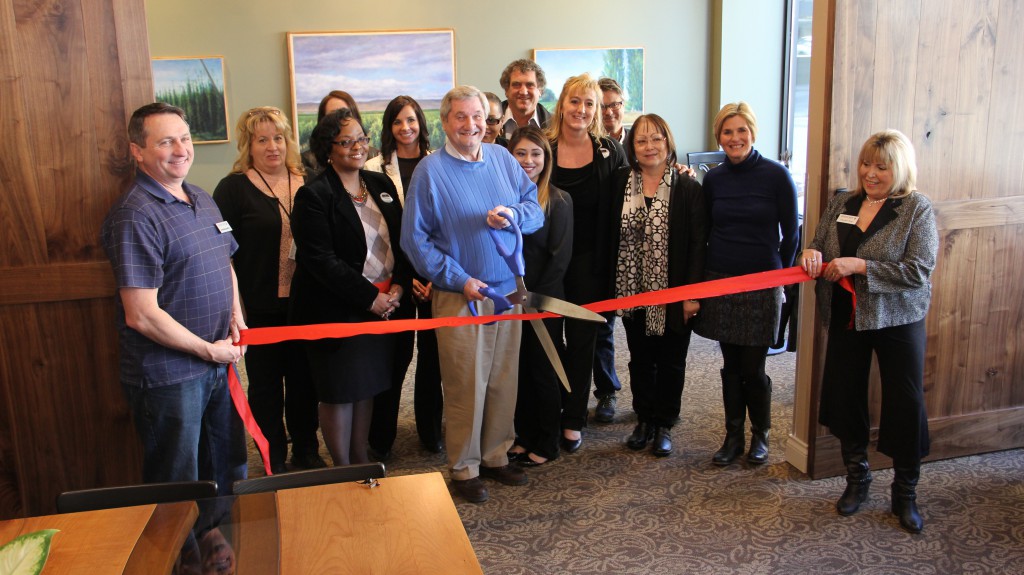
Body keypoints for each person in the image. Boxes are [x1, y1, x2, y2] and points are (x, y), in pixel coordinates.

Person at [401, 85, 543, 503]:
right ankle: (464, 466)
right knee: (466, 384)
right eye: (460, 117)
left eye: (477, 116)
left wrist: (514, 214)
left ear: (488, 119)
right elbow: (416, 241)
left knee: (503, 380)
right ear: (445, 122)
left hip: (509, 290)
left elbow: (532, 207)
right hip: (460, 294)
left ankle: (496, 454)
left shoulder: (502, 158)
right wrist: (458, 278)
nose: (470, 125)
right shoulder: (430, 171)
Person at [101, 102, 247, 495]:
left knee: (229, 466)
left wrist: (236, 317)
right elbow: (141, 315)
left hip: (218, 364)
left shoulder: (201, 197)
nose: (181, 149)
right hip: (170, 377)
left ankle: (226, 552)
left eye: (184, 138)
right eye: (166, 141)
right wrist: (207, 350)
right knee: (179, 484)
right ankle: (181, 557)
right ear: (138, 150)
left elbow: (225, 261)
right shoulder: (135, 215)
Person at [802, 129, 938, 533]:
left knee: (906, 401)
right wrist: (811, 252)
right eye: (866, 163)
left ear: (900, 169)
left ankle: (905, 492)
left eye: (882, 166)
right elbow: (819, 245)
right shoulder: (844, 201)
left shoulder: (916, 209)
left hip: (898, 317)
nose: (871, 173)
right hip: (848, 313)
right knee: (845, 393)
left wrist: (860, 266)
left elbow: (919, 270)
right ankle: (856, 479)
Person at [289, 108, 410, 466]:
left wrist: (399, 289)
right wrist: (370, 298)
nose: (357, 147)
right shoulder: (314, 195)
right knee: (340, 392)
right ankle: (342, 467)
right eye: (346, 141)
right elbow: (321, 261)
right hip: (338, 311)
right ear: (328, 149)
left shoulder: (381, 185)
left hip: (385, 305)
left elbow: (401, 242)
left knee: (367, 386)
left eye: (362, 138)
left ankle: (361, 455)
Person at [212, 107, 324, 475]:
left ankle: (307, 448)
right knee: (265, 386)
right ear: (249, 145)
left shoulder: (307, 179)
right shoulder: (232, 188)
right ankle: (271, 451)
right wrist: (234, 308)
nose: (272, 146)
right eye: (262, 139)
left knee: (304, 381)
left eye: (278, 138)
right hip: (259, 306)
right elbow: (223, 252)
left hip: (305, 302)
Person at [693, 102, 799, 467]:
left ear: (753, 133)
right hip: (721, 279)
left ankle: (761, 436)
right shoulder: (715, 178)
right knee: (730, 364)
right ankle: (732, 435)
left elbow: (792, 234)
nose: (734, 138)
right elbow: (705, 231)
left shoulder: (776, 175)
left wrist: (781, 278)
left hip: (762, 283)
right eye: (727, 131)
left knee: (753, 367)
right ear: (719, 137)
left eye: (741, 131)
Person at [610, 114, 708, 457]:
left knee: (671, 360)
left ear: (668, 142)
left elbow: (698, 244)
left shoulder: (688, 188)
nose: (650, 146)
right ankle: (644, 419)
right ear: (632, 147)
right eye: (641, 140)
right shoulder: (620, 182)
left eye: (657, 139)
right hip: (632, 289)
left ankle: (665, 422)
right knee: (639, 359)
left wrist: (692, 294)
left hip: (676, 292)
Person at [547, 73, 628, 453]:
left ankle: (573, 418)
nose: (581, 110)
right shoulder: (541, 147)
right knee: (546, 339)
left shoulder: (609, 151)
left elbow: (630, 195)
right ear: (562, 104)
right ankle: (548, 410)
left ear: (597, 110)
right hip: (545, 263)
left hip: (589, 264)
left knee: (582, 342)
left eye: (589, 103)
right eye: (575, 101)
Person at [364, 95, 444, 457]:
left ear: (421, 124)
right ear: (389, 127)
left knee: (432, 359)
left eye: (411, 120)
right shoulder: (372, 169)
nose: (405, 128)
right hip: (395, 278)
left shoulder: (438, 165)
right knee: (394, 359)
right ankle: (382, 438)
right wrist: (405, 275)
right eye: (397, 122)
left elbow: (443, 227)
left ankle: (431, 431)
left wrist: (428, 274)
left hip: (432, 277)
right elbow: (377, 232)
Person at [506, 126, 573, 467]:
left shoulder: (559, 201)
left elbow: (559, 262)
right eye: (521, 153)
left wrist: (531, 300)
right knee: (516, 372)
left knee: (542, 371)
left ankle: (546, 443)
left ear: (546, 159)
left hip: (544, 303)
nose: (528, 160)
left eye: (536, 153)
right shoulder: (506, 201)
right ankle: (523, 436)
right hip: (508, 302)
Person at [591, 77, 629, 422]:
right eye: (601, 105)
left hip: (631, 250)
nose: (609, 111)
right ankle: (606, 391)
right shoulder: (588, 145)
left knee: (624, 325)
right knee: (600, 323)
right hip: (596, 246)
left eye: (614, 104)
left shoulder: (643, 141)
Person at [301, 90, 380, 176]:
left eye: (346, 114)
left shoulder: (374, 155)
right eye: (334, 115)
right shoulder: (308, 160)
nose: (341, 119)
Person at [498, 59, 552, 141]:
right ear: (506, 90)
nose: (523, 92)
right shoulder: (489, 121)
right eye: (516, 85)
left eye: (530, 85)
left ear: (540, 90)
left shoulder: (555, 126)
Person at [599, 77, 628, 144]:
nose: (608, 112)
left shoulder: (638, 140)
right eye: (602, 106)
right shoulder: (587, 144)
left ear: (623, 105)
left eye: (614, 105)